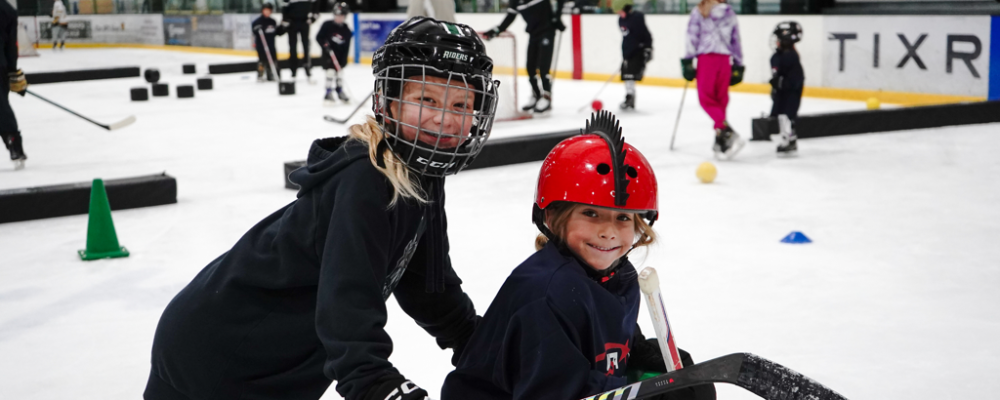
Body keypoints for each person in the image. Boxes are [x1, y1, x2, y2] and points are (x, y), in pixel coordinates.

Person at [143, 17, 500, 400]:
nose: (445, 119)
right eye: (425, 99)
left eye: (461, 104)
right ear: (388, 101)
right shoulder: (367, 179)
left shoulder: (420, 173)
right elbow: (347, 308)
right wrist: (377, 384)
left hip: (281, 359)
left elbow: (429, 285)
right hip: (222, 356)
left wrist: (475, 340)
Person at [442, 111, 716, 400]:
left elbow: (609, 341)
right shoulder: (548, 296)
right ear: (553, 216)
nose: (609, 231)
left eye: (623, 218)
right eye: (591, 213)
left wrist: (646, 355)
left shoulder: (618, 276)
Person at [680, 0, 745, 160]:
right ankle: (721, 138)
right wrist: (738, 63)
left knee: (706, 99)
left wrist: (688, 60)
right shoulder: (729, 13)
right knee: (720, 99)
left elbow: (692, 36)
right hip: (724, 61)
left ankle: (726, 131)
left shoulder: (700, 11)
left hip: (707, 59)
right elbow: (735, 40)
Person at [483, 0, 565, 113]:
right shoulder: (516, 2)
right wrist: (497, 30)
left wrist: (557, 17)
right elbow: (510, 17)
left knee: (543, 68)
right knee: (530, 67)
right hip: (533, 34)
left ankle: (546, 96)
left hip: (547, 31)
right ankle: (536, 95)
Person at [769, 21, 804, 156]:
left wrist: (781, 84)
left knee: (787, 115)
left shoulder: (789, 57)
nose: (776, 41)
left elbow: (795, 81)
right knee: (783, 115)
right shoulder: (781, 56)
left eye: (779, 38)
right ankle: (787, 138)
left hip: (789, 93)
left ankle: (789, 139)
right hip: (785, 92)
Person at [1, 0, 27, 170]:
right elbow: (12, 45)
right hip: (0, 66)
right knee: (1, 107)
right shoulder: (7, 9)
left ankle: (14, 143)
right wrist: (12, 70)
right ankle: (14, 144)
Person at [614, 0, 652, 111]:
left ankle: (630, 97)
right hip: (627, 51)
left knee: (631, 74)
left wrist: (647, 48)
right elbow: (626, 37)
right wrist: (625, 51)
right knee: (626, 75)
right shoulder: (621, 19)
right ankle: (629, 97)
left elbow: (645, 33)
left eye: (620, 11)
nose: (619, 14)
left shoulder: (637, 17)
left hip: (638, 50)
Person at [316, 1, 352, 103]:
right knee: (330, 72)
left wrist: (344, 60)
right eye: (337, 15)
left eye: (341, 16)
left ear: (345, 16)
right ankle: (328, 92)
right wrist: (325, 46)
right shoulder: (327, 25)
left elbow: (346, 47)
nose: (339, 18)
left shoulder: (346, 30)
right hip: (328, 55)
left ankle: (339, 90)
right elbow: (319, 37)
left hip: (340, 56)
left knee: (340, 73)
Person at [281, 0, 318, 81]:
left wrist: (313, 18)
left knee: (306, 45)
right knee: (292, 46)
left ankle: (307, 67)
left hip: (304, 22)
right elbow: (284, 7)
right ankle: (293, 69)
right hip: (292, 23)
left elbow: (316, 6)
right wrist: (285, 20)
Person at [252, 3, 283, 82]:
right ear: (262, 11)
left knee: (273, 59)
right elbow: (254, 31)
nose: (267, 12)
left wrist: (283, 28)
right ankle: (260, 75)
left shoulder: (272, 21)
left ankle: (271, 74)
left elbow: (277, 32)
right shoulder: (257, 22)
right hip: (261, 45)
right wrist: (256, 29)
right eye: (265, 10)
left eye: (269, 10)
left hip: (271, 45)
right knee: (262, 60)